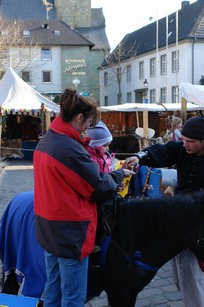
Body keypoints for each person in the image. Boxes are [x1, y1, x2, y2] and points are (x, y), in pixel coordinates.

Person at [33, 88, 134, 306]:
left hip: (49, 230)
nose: (89, 128)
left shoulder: (48, 140)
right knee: (73, 298)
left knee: (53, 291)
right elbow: (98, 186)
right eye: (89, 122)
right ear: (79, 118)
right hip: (69, 234)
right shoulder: (68, 148)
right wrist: (118, 174)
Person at [124, 115, 204, 307]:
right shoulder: (182, 150)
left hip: (203, 228)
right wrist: (139, 157)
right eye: (183, 140)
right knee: (183, 274)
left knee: (200, 277)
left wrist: (202, 207)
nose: (185, 145)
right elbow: (164, 151)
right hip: (181, 224)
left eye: (190, 141)